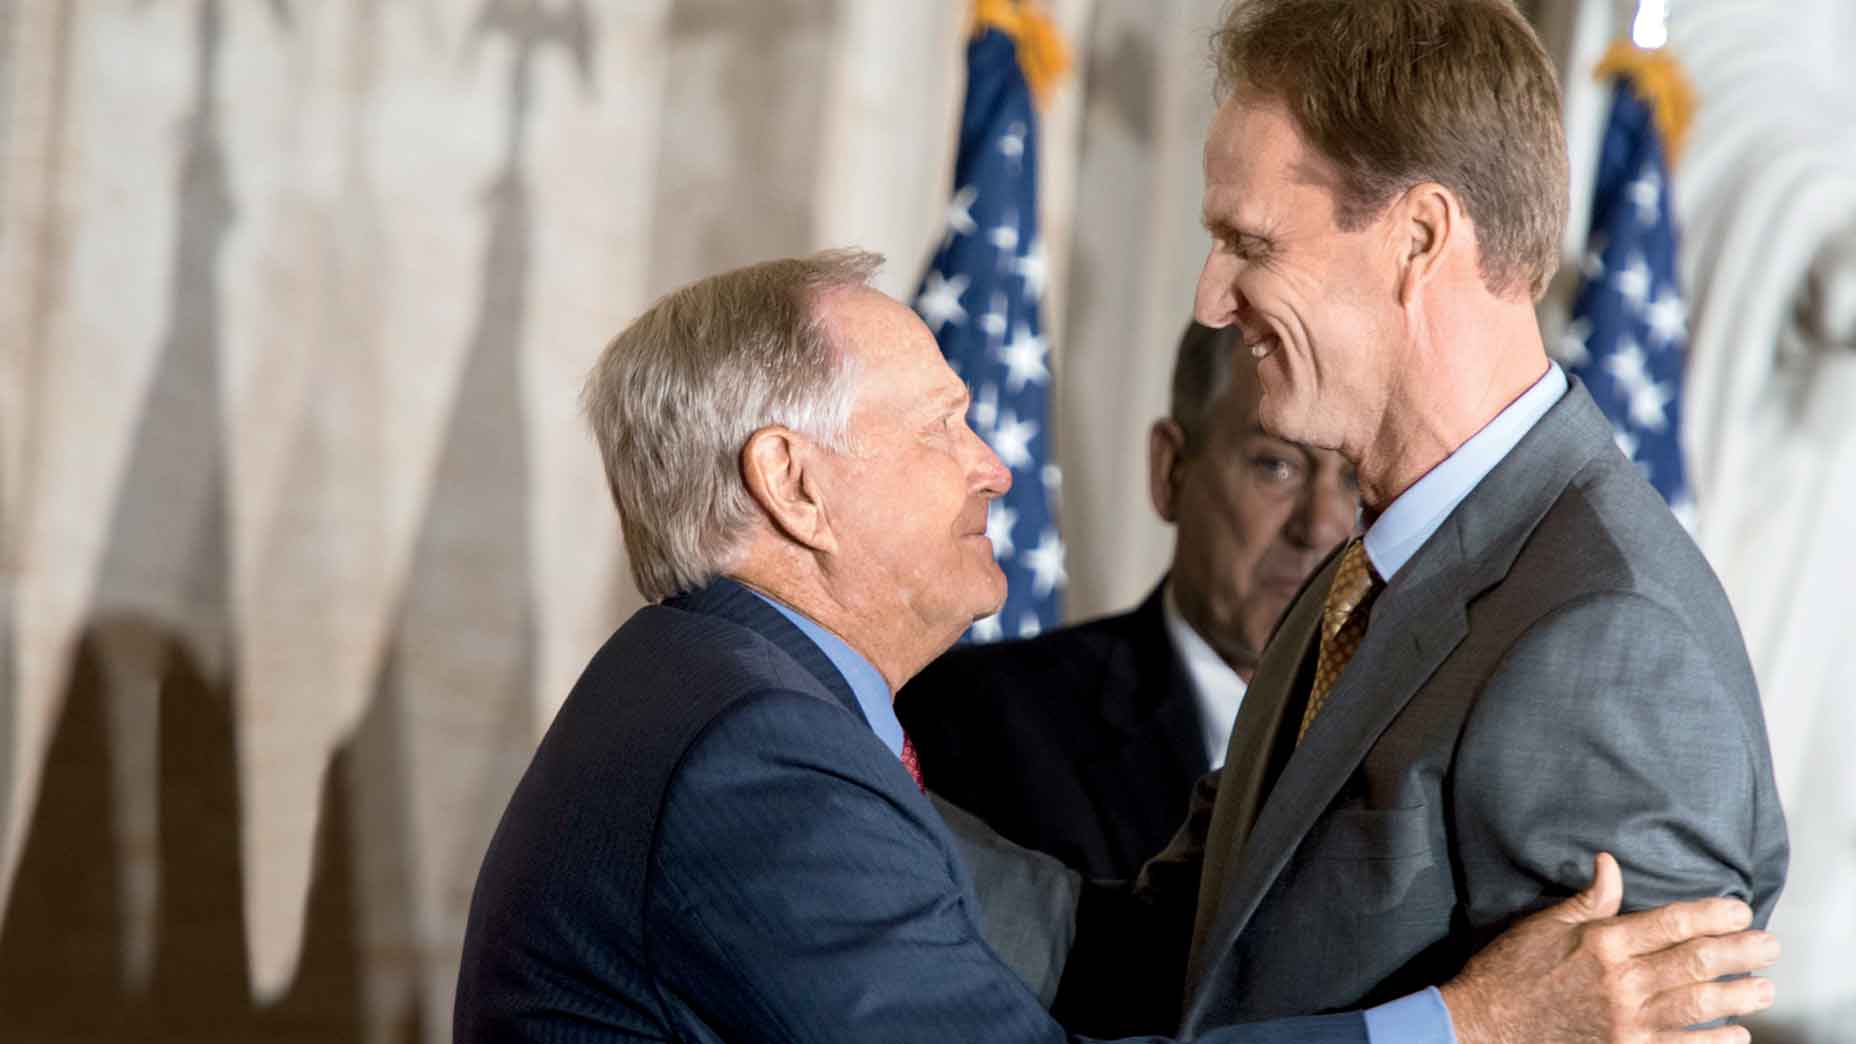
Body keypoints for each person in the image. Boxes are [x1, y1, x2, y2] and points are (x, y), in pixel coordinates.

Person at [453, 249, 1780, 1043]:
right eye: (945, 426)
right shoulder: (752, 758)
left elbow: (1066, 952)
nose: (995, 470)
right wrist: (1473, 1027)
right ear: (794, 485)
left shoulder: (729, 701)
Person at [1115, 0, 1788, 1037]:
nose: (1212, 299)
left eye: (1247, 243)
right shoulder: (1364, 577)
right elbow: (1170, 963)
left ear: (1417, 237)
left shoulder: (1609, 643)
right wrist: (825, 776)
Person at [898, 321, 1358, 879]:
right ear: (1170, 470)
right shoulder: (975, 721)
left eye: (1355, 480)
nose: (1322, 525)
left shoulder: (1412, 739)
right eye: (1275, 466)